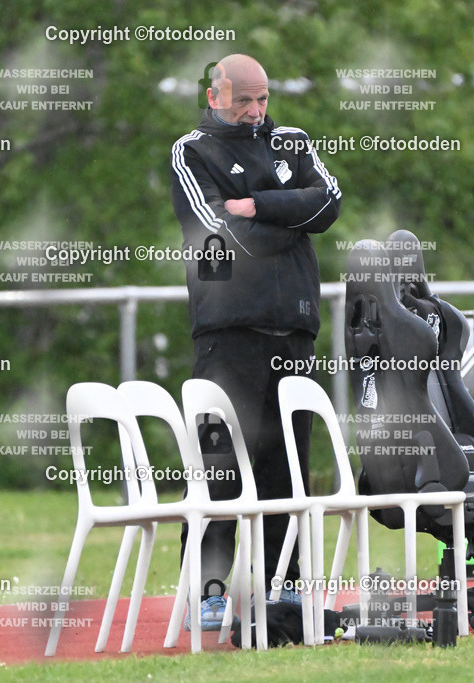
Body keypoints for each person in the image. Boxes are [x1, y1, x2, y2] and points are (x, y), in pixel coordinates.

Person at [169, 54, 341, 629]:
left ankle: (282, 591)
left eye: (262, 98)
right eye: (243, 99)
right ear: (214, 95)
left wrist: (259, 204)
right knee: (218, 466)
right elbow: (222, 232)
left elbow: (329, 203)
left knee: (287, 471)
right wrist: (290, 220)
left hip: (294, 332)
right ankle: (209, 592)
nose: (255, 110)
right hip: (227, 335)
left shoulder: (292, 141)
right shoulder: (192, 151)